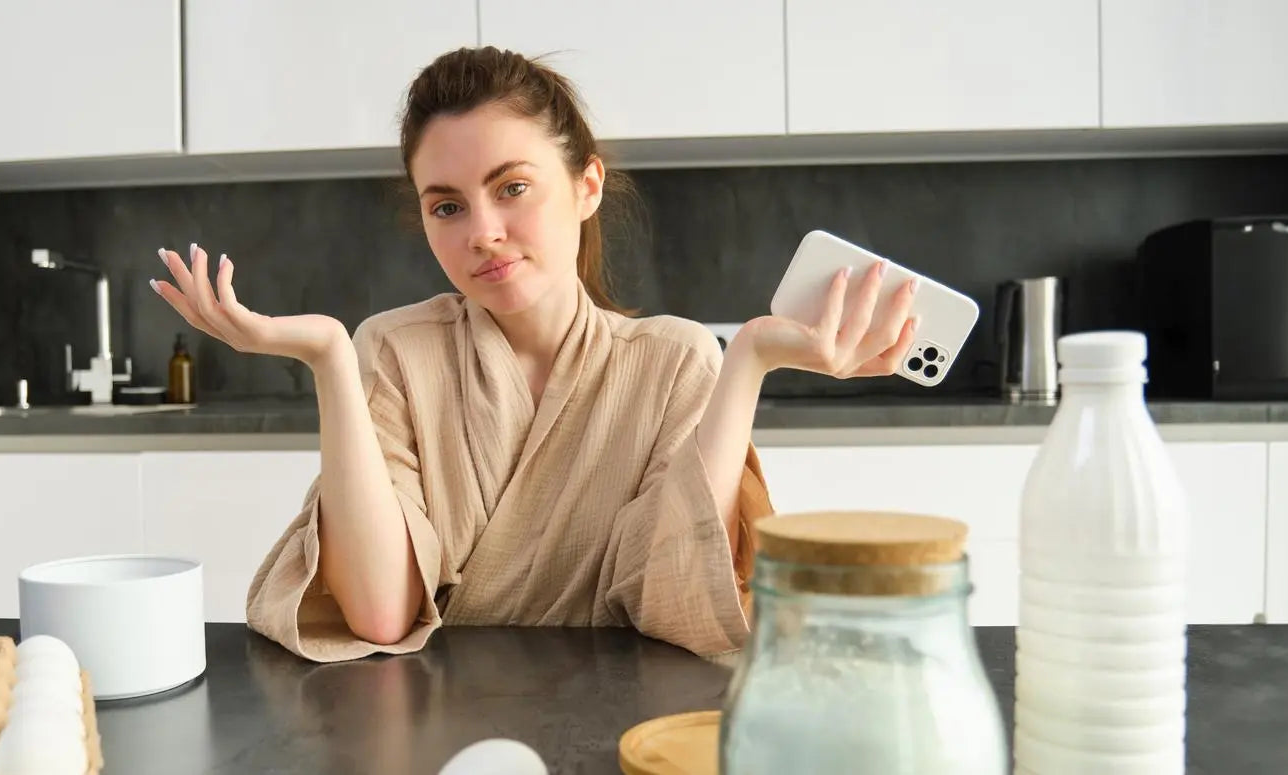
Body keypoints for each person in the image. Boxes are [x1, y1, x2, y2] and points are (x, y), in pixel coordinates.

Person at [150, 47, 919, 663]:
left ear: (587, 186)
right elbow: (381, 615)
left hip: (623, 721)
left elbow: (676, 602)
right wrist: (329, 359)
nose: (480, 230)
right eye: (446, 205)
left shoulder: (674, 360)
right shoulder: (391, 349)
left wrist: (748, 357)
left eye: (511, 187)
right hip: (430, 727)